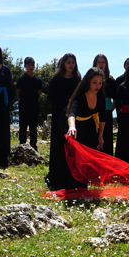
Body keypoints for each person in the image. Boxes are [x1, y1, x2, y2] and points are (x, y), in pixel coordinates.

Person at [46, 53, 82, 190]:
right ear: (63, 64)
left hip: (72, 115)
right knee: (58, 143)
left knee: (70, 143)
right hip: (58, 114)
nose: (71, 65)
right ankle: (56, 173)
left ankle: (71, 174)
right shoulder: (56, 79)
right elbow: (51, 97)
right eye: (68, 62)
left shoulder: (77, 79)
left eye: (73, 62)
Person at [65, 67, 107, 154]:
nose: (98, 86)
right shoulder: (80, 96)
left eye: (100, 83)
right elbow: (72, 113)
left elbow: (102, 117)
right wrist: (72, 126)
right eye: (94, 82)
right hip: (75, 126)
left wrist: (100, 135)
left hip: (90, 126)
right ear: (88, 82)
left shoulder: (101, 96)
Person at [15, 56, 43, 150]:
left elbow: (38, 93)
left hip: (34, 105)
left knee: (33, 127)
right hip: (23, 105)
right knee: (23, 126)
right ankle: (22, 145)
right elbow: (18, 92)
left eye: (32, 65)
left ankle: (34, 145)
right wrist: (21, 101)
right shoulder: (21, 79)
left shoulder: (38, 80)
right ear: (25, 66)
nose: (31, 67)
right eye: (29, 65)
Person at [93, 54, 117, 157]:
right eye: (99, 62)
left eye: (103, 62)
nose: (101, 64)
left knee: (107, 138)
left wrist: (111, 109)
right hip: (94, 113)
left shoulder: (111, 80)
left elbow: (116, 97)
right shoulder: (91, 80)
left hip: (107, 112)